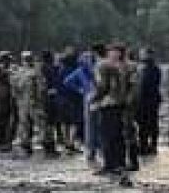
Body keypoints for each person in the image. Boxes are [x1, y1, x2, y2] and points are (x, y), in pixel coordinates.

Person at [92, 43, 133, 177]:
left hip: (108, 104)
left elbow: (102, 86)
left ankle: (110, 165)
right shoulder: (123, 67)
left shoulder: (103, 65)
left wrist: (93, 100)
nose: (111, 53)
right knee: (117, 135)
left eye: (112, 51)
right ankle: (119, 164)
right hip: (119, 104)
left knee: (107, 135)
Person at [63, 49, 97, 163]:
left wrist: (80, 90)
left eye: (89, 58)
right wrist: (80, 89)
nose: (87, 60)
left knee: (91, 126)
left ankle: (92, 152)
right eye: (86, 58)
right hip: (92, 98)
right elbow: (67, 81)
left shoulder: (83, 70)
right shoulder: (88, 69)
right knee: (92, 126)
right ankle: (92, 152)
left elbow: (67, 81)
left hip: (90, 98)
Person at [13, 51, 44, 155]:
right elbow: (14, 88)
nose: (27, 61)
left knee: (36, 123)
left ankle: (41, 143)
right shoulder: (19, 72)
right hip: (24, 102)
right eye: (25, 59)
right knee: (25, 124)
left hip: (32, 101)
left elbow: (40, 87)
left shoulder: (35, 72)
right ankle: (26, 145)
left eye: (28, 59)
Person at [135, 48, 163, 155]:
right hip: (153, 99)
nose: (141, 56)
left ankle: (144, 146)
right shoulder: (155, 68)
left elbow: (142, 86)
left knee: (144, 124)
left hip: (145, 100)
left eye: (142, 54)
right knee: (152, 124)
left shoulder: (144, 68)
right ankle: (152, 146)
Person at [40, 50, 64, 157]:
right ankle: (49, 148)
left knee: (48, 123)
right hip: (49, 98)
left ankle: (49, 147)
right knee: (49, 123)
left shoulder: (42, 68)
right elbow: (53, 83)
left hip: (44, 98)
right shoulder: (48, 69)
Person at [0, 52, 17, 151]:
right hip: (4, 96)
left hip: (4, 96)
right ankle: (4, 141)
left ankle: (4, 141)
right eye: (8, 59)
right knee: (4, 120)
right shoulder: (1, 70)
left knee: (5, 120)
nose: (9, 61)